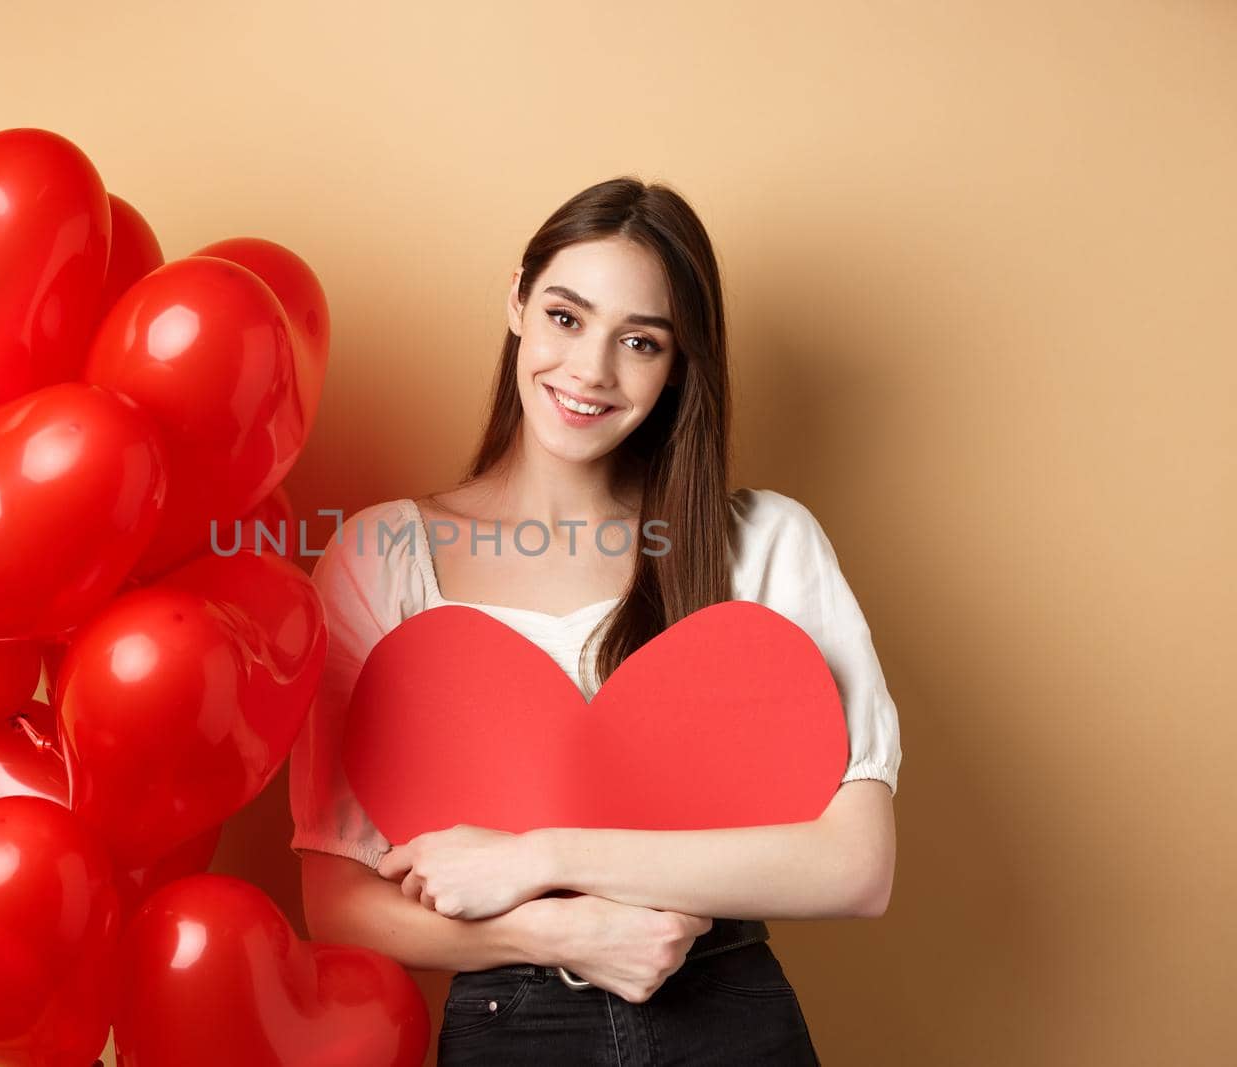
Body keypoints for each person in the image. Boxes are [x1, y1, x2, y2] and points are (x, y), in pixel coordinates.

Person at [289, 177, 902, 1066]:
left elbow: (855, 866)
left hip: (730, 1017)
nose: (590, 372)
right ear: (518, 302)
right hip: (514, 1026)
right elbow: (336, 898)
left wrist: (535, 859)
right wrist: (560, 937)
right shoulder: (383, 554)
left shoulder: (764, 546)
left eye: (640, 341)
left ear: (679, 362)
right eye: (567, 318)